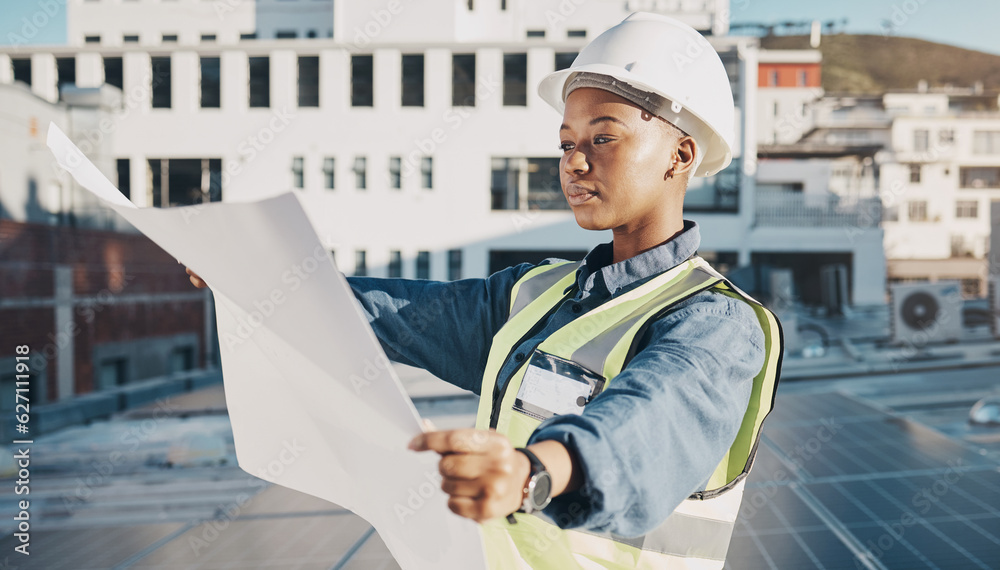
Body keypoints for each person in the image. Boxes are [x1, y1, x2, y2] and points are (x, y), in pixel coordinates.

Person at [188, 12, 783, 569]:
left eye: (603, 138)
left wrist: (532, 473)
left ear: (681, 155)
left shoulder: (715, 324)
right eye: (566, 142)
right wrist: (252, 281)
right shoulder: (534, 296)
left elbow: (649, 424)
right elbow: (390, 316)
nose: (574, 162)